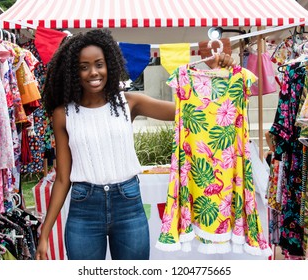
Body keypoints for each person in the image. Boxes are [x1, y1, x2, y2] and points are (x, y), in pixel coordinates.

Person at [35, 29, 235, 260]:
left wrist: (219, 74)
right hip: (84, 209)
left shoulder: (129, 103)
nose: (93, 72)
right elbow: (62, 178)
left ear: (110, 64)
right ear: (73, 71)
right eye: (84, 66)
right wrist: (44, 232)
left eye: (99, 64)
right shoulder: (63, 114)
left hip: (127, 203)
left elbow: (188, 110)